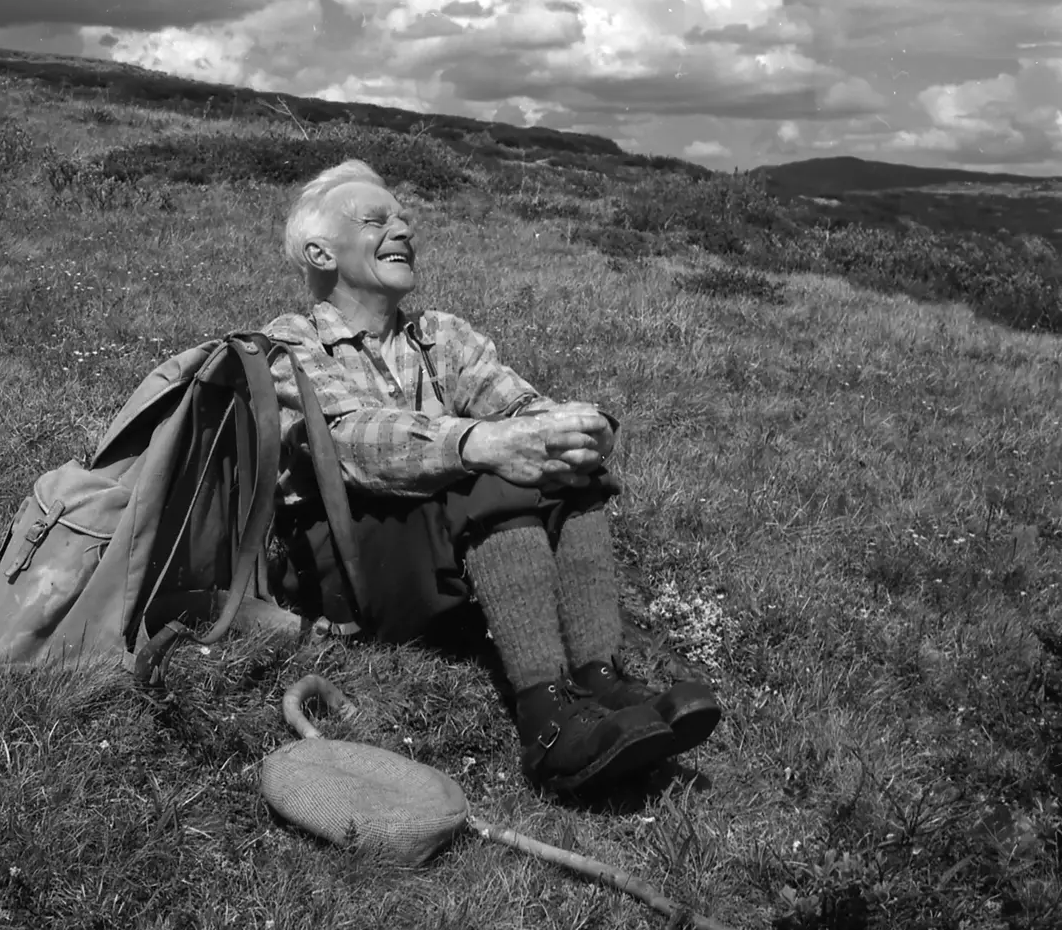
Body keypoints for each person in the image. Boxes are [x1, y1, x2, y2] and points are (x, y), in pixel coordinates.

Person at [265, 160, 721, 798]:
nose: (402, 229)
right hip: (352, 569)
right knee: (493, 472)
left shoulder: (442, 336)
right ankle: (549, 726)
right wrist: (479, 442)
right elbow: (344, 442)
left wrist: (574, 434)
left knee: (564, 470)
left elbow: (515, 404)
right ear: (320, 252)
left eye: (403, 219)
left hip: (430, 548)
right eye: (376, 220)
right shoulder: (288, 345)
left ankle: (597, 677)